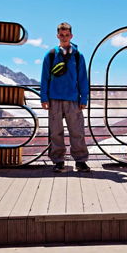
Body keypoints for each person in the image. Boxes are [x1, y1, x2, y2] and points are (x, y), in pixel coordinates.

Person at [40, 22, 90, 172]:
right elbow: (44, 78)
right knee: (56, 132)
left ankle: (80, 161)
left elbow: (83, 78)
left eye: (67, 35)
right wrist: (44, 98)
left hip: (73, 99)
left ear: (71, 36)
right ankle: (58, 161)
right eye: (61, 35)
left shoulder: (78, 56)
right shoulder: (50, 55)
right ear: (57, 36)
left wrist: (84, 98)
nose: (64, 37)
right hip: (54, 99)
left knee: (77, 131)